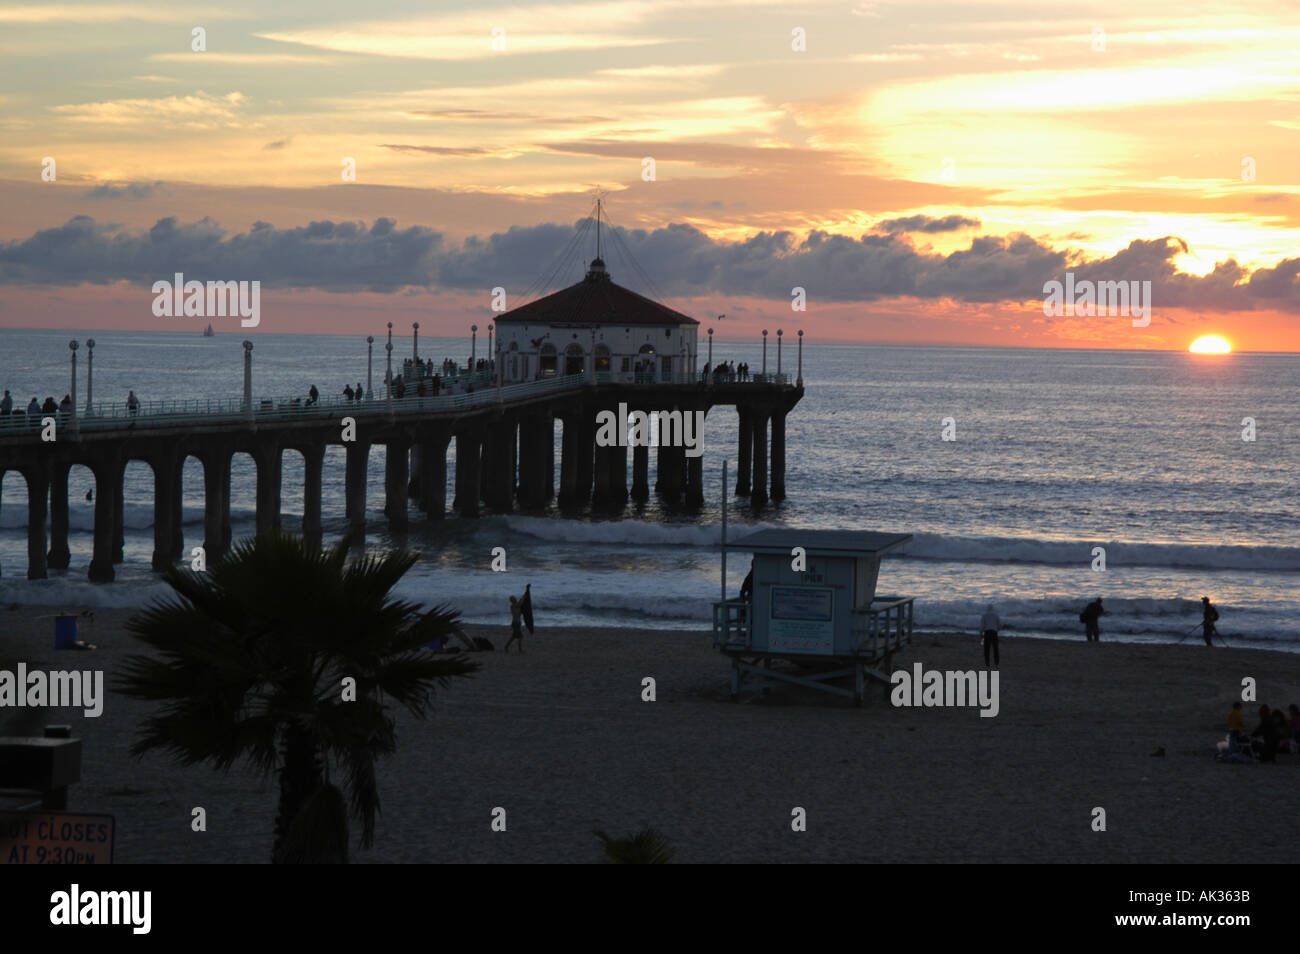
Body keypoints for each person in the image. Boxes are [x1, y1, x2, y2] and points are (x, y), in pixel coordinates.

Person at [980, 603, 1001, 667]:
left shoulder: (984, 615)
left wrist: (981, 634)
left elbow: (982, 626)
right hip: (994, 633)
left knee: (986, 649)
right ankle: (996, 663)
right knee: (995, 648)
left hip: (987, 633)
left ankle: (987, 663)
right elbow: (999, 625)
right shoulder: (996, 615)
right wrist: (997, 630)